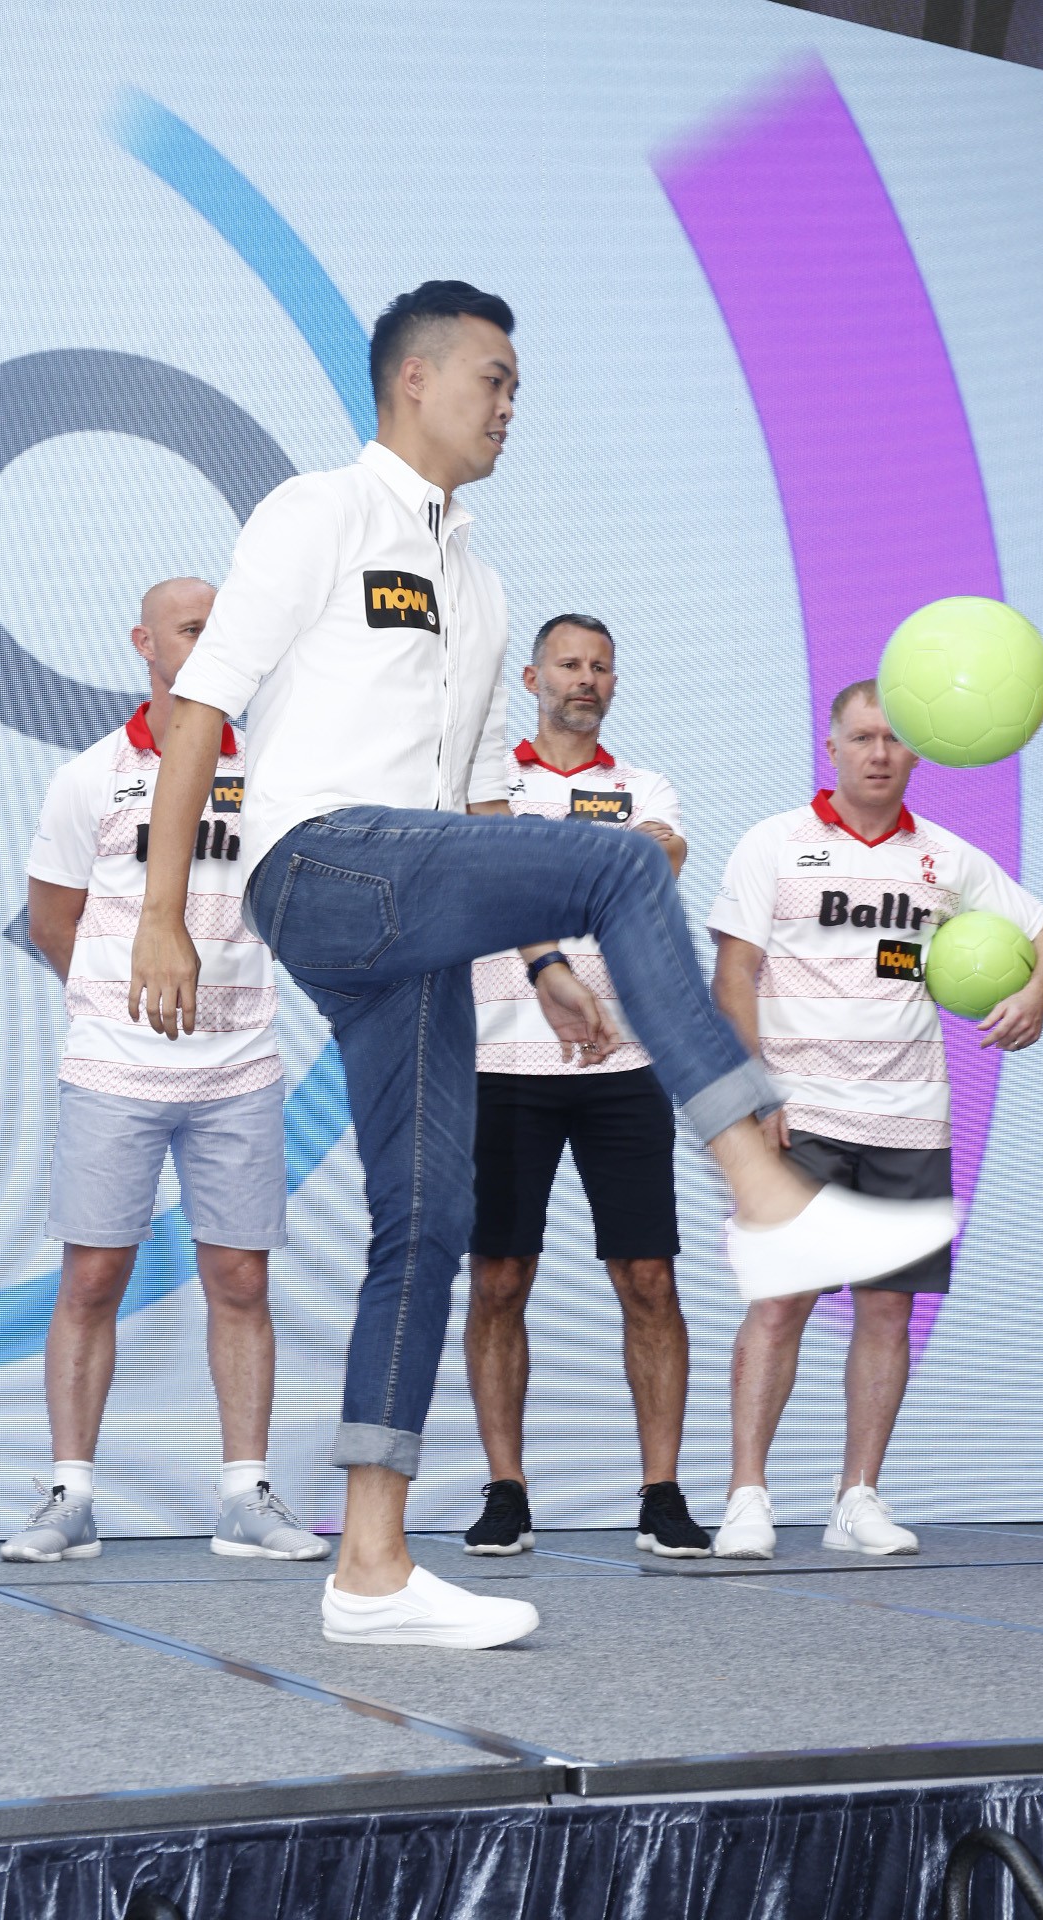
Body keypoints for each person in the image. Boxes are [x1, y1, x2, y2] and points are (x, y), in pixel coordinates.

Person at [129, 281, 953, 1650]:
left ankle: (372, 1567)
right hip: (318, 864)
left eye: (518, 387)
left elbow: (462, 819)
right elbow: (204, 712)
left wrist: (544, 961)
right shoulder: (316, 512)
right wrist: (167, 911)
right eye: (496, 380)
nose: (513, 405)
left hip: (416, 897)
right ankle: (763, 1180)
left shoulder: (483, 586)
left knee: (426, 1217)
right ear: (415, 382)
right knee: (626, 856)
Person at [0, 580, 327, 1565]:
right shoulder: (87, 777)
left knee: (238, 1277)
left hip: (239, 1064)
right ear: (143, 642)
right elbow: (53, 917)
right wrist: (119, 1003)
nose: (216, 639)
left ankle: (245, 1496)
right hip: (113, 1065)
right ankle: (68, 1495)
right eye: (194, 627)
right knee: (93, 1275)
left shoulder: (273, 772)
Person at [708, 680, 1043, 1557]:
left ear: (915, 754)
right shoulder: (775, 845)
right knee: (781, 1305)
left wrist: (1039, 997)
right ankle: (746, 1497)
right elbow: (732, 975)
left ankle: (857, 1499)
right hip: (800, 1115)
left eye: (894, 740)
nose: (878, 753)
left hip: (910, 1116)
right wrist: (756, 1095)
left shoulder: (945, 859)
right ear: (830, 747)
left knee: (887, 1314)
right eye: (862, 737)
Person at [463, 612, 710, 1559]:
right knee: (500, 1280)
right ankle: (505, 1491)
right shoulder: (487, 786)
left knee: (649, 1278)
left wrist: (535, 866)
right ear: (531, 677)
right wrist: (580, 874)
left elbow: (656, 863)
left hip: (624, 1066)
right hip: (500, 1061)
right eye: (568, 663)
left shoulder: (644, 786)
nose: (586, 679)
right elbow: (488, 887)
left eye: (601, 667)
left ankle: (661, 1494)